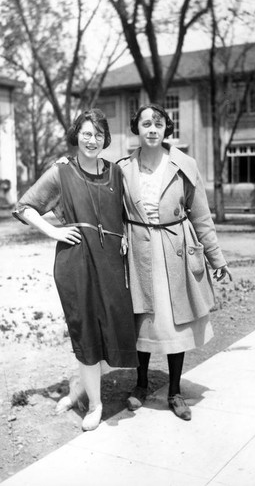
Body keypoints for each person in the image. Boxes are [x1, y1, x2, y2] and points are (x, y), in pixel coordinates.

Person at [12, 108, 138, 431]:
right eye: (86, 133)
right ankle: (94, 404)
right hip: (76, 260)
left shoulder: (115, 172)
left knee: (113, 327)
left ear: (105, 138)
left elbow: (121, 212)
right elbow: (25, 207)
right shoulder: (61, 172)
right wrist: (54, 231)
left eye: (98, 134)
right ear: (76, 135)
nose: (92, 140)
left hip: (110, 260)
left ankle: (79, 385)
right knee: (86, 331)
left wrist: (122, 235)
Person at [117, 103, 232, 421]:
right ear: (136, 129)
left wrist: (216, 258)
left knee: (174, 322)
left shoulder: (184, 164)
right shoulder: (123, 168)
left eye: (158, 123)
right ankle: (140, 385)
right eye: (145, 124)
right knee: (142, 321)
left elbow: (202, 216)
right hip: (138, 253)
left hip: (176, 252)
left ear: (167, 128)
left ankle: (175, 391)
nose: (152, 129)